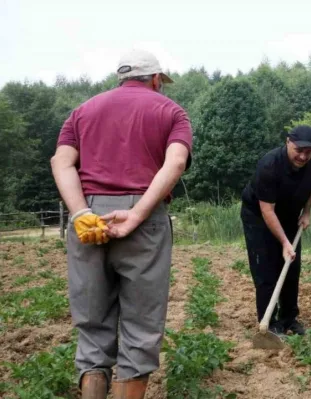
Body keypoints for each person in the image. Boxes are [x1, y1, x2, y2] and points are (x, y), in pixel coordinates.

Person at [50, 49, 192, 399]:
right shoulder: (171, 112)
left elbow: (62, 162)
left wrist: (81, 213)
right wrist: (139, 213)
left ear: (122, 78)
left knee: (92, 327)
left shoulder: (82, 112)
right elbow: (174, 163)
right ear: (156, 79)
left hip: (90, 220)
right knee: (141, 329)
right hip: (143, 222)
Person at [240, 125, 311, 336]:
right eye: (298, 150)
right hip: (258, 216)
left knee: (292, 267)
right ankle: (269, 322)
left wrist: (307, 212)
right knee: (266, 268)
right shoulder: (269, 166)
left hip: (289, 214)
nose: (303, 156)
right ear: (287, 142)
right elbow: (267, 210)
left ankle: (289, 318)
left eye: (308, 151)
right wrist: (284, 242)